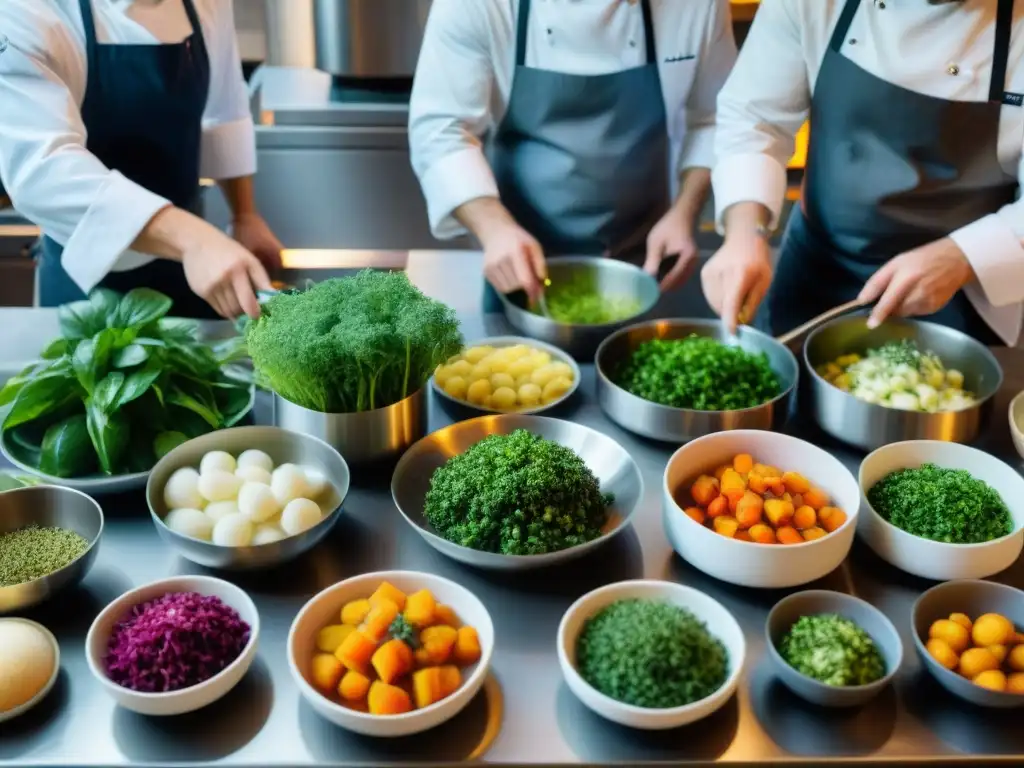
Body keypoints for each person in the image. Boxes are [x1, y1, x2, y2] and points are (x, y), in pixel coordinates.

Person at [704, 0, 1024, 346]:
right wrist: (744, 233)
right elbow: (755, 119)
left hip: (962, 291)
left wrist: (961, 256)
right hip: (815, 264)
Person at [409, 0, 737, 309]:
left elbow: (715, 117)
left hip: (649, 258)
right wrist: (494, 229)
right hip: (520, 261)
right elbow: (442, 128)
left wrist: (684, 211)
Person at [0, 0, 282, 319]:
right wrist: (193, 240)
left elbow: (225, 109)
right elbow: (43, 169)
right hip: (87, 278)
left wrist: (245, 215)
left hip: (194, 270)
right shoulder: (29, 9)